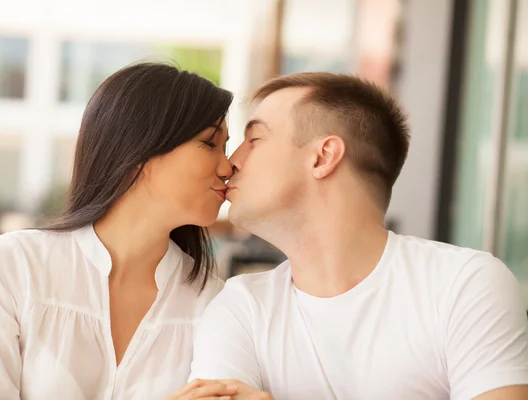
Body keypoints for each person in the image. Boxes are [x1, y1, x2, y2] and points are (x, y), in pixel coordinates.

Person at [189, 72, 528, 399]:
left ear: (323, 157)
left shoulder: (464, 284)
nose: (231, 163)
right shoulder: (240, 308)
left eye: (254, 140)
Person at [0, 63, 241, 400]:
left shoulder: (212, 301)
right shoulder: (13, 266)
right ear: (141, 150)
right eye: (210, 143)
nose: (227, 167)